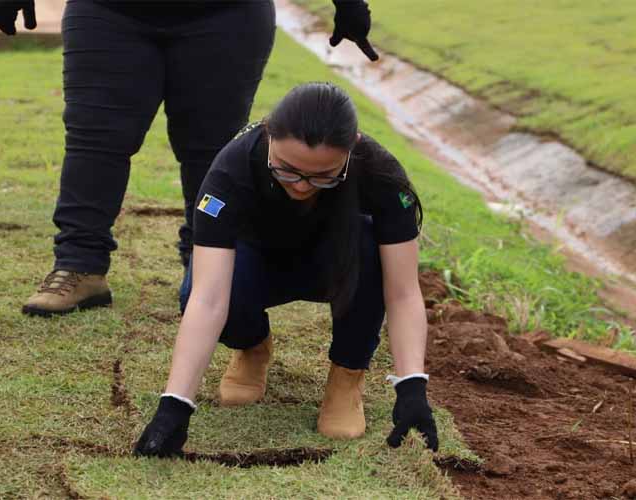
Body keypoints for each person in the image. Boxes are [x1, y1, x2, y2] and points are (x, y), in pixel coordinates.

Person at [0, 0, 380, 316]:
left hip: (226, 16)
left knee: (210, 148)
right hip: (108, 13)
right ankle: (79, 265)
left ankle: (204, 264)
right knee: (96, 139)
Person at [133, 82, 438, 457]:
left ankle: (346, 376)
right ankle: (252, 348)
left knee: (372, 247)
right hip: (258, 264)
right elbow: (208, 298)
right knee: (197, 289)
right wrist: (174, 406)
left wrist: (411, 386)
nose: (302, 186)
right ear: (268, 133)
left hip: (338, 266)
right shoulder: (231, 171)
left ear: (353, 145)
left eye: (324, 176)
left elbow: (403, 291)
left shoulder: (382, 176)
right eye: (288, 171)